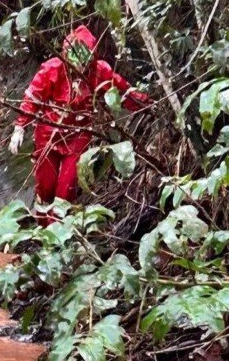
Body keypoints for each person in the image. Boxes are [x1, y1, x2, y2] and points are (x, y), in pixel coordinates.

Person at [9, 25, 149, 217]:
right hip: (48, 133)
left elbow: (122, 92)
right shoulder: (52, 69)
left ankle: (59, 235)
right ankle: (42, 230)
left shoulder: (99, 71)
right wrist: (20, 127)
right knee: (46, 187)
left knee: (66, 191)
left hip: (79, 136)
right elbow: (33, 98)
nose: (80, 66)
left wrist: (148, 104)